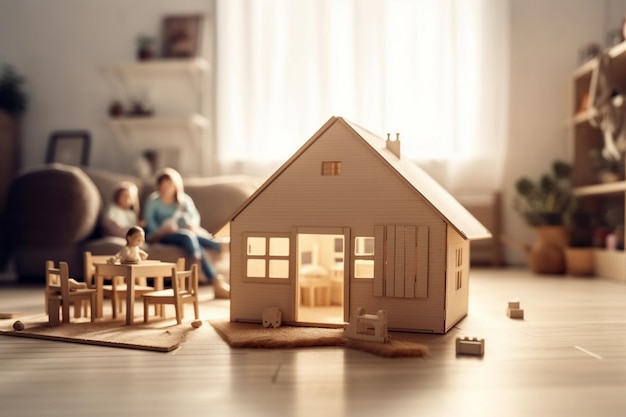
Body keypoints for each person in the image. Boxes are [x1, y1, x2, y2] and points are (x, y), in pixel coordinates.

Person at [142, 167, 229, 297]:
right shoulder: (153, 202)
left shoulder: (184, 200)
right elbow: (150, 225)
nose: (166, 188)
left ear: (176, 185)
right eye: (163, 185)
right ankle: (218, 246)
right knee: (188, 237)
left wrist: (190, 224)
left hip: (185, 234)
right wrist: (163, 230)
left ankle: (215, 280)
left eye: (169, 185)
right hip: (162, 236)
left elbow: (194, 218)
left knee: (191, 239)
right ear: (159, 186)